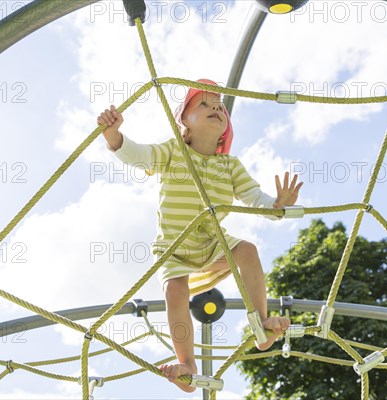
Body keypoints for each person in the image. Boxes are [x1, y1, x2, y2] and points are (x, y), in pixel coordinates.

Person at [97, 79, 303, 392]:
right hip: (174, 249)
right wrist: (113, 134)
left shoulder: (230, 165)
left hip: (212, 246)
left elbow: (254, 198)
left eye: (219, 106)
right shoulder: (173, 151)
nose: (216, 108)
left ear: (225, 127)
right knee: (175, 292)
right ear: (185, 123)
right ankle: (188, 365)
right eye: (204, 104)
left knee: (247, 250)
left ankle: (261, 326)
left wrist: (276, 206)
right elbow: (138, 155)